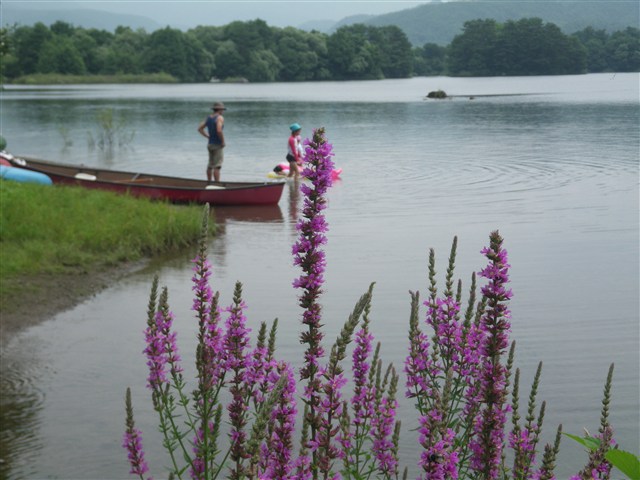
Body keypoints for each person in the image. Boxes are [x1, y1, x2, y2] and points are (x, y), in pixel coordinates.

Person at [198, 102, 226, 182]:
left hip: (210, 144)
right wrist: (223, 141)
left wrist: (207, 136)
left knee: (210, 165)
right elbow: (219, 130)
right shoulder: (220, 118)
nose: (223, 111)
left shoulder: (209, 118)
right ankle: (217, 184)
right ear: (219, 109)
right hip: (217, 144)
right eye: (222, 109)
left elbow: (200, 129)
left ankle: (209, 183)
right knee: (217, 166)